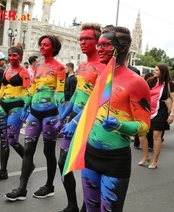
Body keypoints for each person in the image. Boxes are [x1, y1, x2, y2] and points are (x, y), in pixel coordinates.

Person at [80, 25, 151, 212]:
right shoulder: (101, 76)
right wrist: (74, 123)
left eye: (105, 44)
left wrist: (120, 125)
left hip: (115, 161)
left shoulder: (136, 82)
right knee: (90, 208)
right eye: (99, 44)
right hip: (90, 155)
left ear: (122, 48)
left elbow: (144, 126)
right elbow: (92, 107)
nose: (99, 48)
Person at [5, 35, 65, 201]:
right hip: (34, 112)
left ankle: (49, 186)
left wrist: (62, 116)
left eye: (45, 45)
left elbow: (60, 93)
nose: (42, 47)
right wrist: (25, 106)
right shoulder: (38, 67)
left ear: (53, 47)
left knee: (48, 150)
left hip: (50, 114)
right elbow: (32, 89)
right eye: (41, 44)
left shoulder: (59, 68)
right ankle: (21, 189)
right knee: (28, 149)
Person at [54, 23, 105, 212]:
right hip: (75, 116)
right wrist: (63, 117)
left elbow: (97, 100)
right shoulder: (83, 65)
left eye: (87, 39)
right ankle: (72, 205)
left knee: (87, 169)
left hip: (90, 121)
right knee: (64, 163)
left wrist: (76, 122)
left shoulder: (103, 67)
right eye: (80, 39)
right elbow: (77, 93)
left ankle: (86, 207)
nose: (82, 42)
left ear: (98, 42)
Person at [0, 43, 31, 182]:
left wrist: (26, 107)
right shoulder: (6, 70)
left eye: (15, 55)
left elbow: (27, 92)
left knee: (12, 140)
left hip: (16, 107)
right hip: (2, 107)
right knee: (4, 141)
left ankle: (28, 163)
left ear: (21, 56)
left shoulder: (24, 72)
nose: (12, 58)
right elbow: (2, 89)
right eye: (10, 55)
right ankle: (3, 171)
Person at [138, 63, 174, 168]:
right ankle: (146, 155)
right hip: (146, 111)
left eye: (156, 70)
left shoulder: (170, 84)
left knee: (156, 136)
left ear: (162, 71)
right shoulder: (150, 81)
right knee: (142, 134)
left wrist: (172, 115)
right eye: (154, 69)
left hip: (161, 112)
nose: (154, 71)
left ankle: (155, 160)